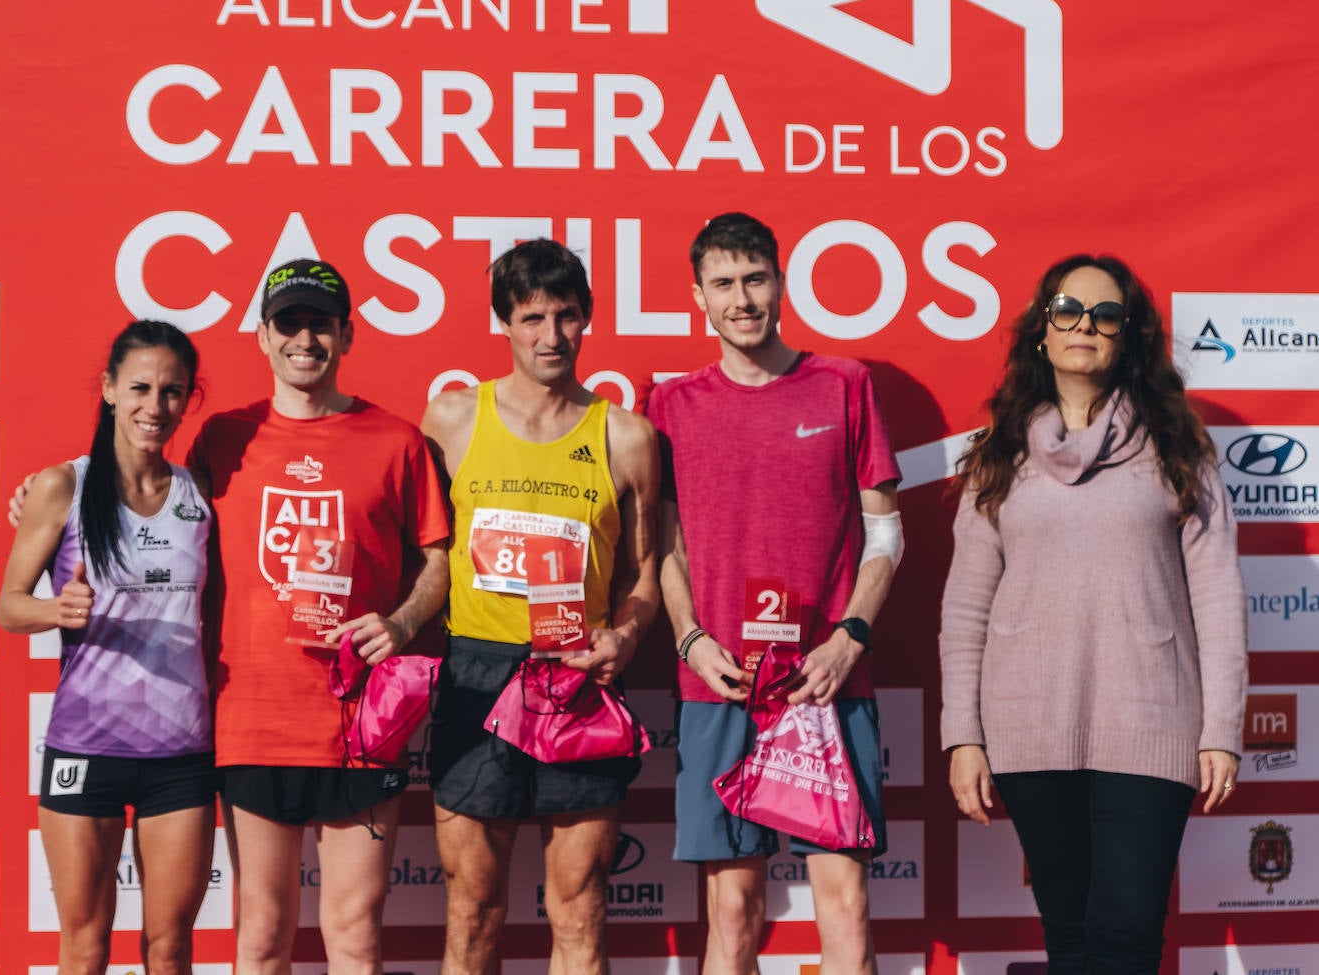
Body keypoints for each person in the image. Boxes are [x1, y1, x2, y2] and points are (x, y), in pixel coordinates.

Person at [940, 255, 1248, 973]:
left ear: (1129, 336)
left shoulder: (1180, 450)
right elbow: (965, 608)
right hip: (1029, 726)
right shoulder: (997, 458)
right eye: (1068, 310)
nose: (1086, 325)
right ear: (1042, 332)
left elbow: (1219, 594)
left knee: (1127, 939)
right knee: (1069, 937)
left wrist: (1222, 728)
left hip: (1150, 719)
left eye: (1106, 314)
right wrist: (964, 734)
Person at [647, 212, 903, 975]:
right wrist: (690, 635)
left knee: (848, 906)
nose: (742, 298)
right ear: (698, 296)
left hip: (828, 683)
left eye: (754, 278)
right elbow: (665, 546)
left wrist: (849, 635)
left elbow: (886, 535)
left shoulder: (844, 385)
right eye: (723, 283)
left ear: (781, 284)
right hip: (718, 685)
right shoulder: (669, 404)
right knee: (732, 914)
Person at [192, 258, 451, 972]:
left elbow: (440, 558)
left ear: (347, 334)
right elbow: (150, 506)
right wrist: (54, 498)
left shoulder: (396, 440)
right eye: (289, 323)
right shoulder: (222, 438)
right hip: (253, 717)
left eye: (321, 324)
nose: (304, 339)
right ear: (262, 336)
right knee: (263, 939)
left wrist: (399, 624)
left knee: (357, 939)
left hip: (359, 722)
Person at [420, 238, 660, 975]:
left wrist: (624, 635)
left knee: (580, 906)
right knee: (472, 909)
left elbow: (646, 577)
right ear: (503, 323)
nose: (550, 336)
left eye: (565, 316)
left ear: (587, 318)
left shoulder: (626, 435)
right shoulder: (452, 420)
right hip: (475, 673)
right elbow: (422, 559)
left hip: (578, 677)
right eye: (530, 318)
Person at [0, 321, 216, 975]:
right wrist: (54, 609)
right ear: (110, 389)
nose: (156, 406)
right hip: (86, 744)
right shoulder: (61, 485)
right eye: (141, 388)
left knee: (170, 948)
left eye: (174, 392)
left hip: (182, 752)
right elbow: (9, 603)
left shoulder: (199, 492)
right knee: (86, 946)